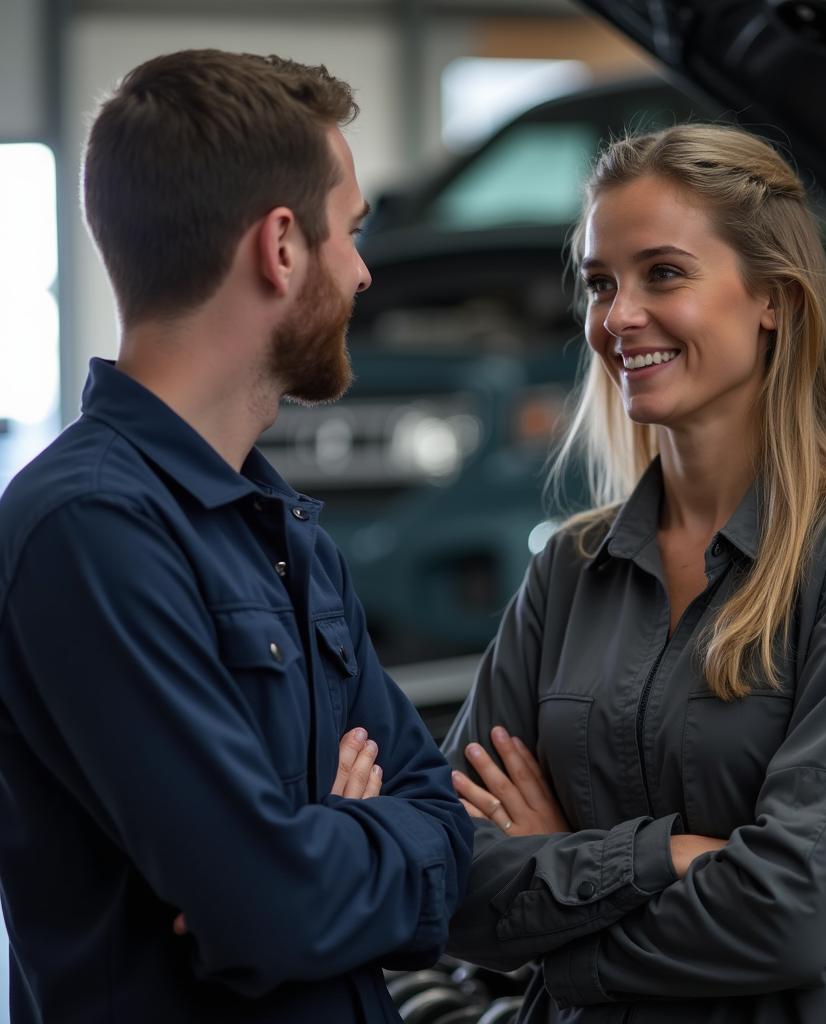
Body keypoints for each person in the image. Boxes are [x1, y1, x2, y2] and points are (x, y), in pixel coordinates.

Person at [441, 123, 826, 1023]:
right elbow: (447, 870)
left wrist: (562, 886)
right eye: (601, 284)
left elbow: (792, 915)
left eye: (665, 274)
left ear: (773, 298)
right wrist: (666, 855)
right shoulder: (572, 568)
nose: (618, 317)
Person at [0, 49, 472, 1023]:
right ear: (282, 246)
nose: (364, 270)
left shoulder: (283, 530)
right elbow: (273, 909)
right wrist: (340, 846)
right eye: (351, 232)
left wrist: (331, 838)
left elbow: (439, 815)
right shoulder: (87, 533)